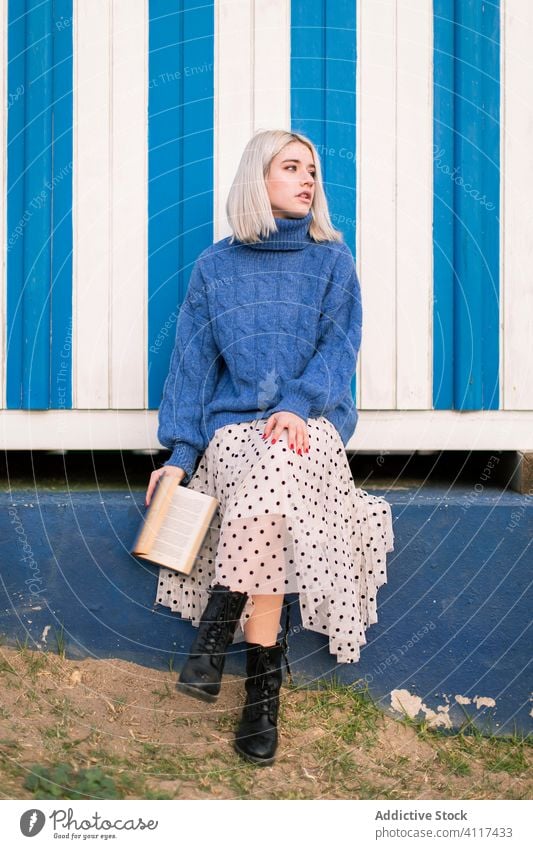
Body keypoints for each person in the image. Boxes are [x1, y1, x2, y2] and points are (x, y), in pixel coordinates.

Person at [145, 128, 394, 766]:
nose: (308, 179)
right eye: (291, 168)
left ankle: (219, 627)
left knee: (280, 464)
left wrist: (295, 406)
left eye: (312, 170)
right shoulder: (215, 267)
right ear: (259, 179)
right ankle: (262, 700)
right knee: (267, 497)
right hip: (234, 435)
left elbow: (339, 352)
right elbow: (193, 370)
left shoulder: (333, 261)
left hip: (312, 428)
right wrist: (178, 457)